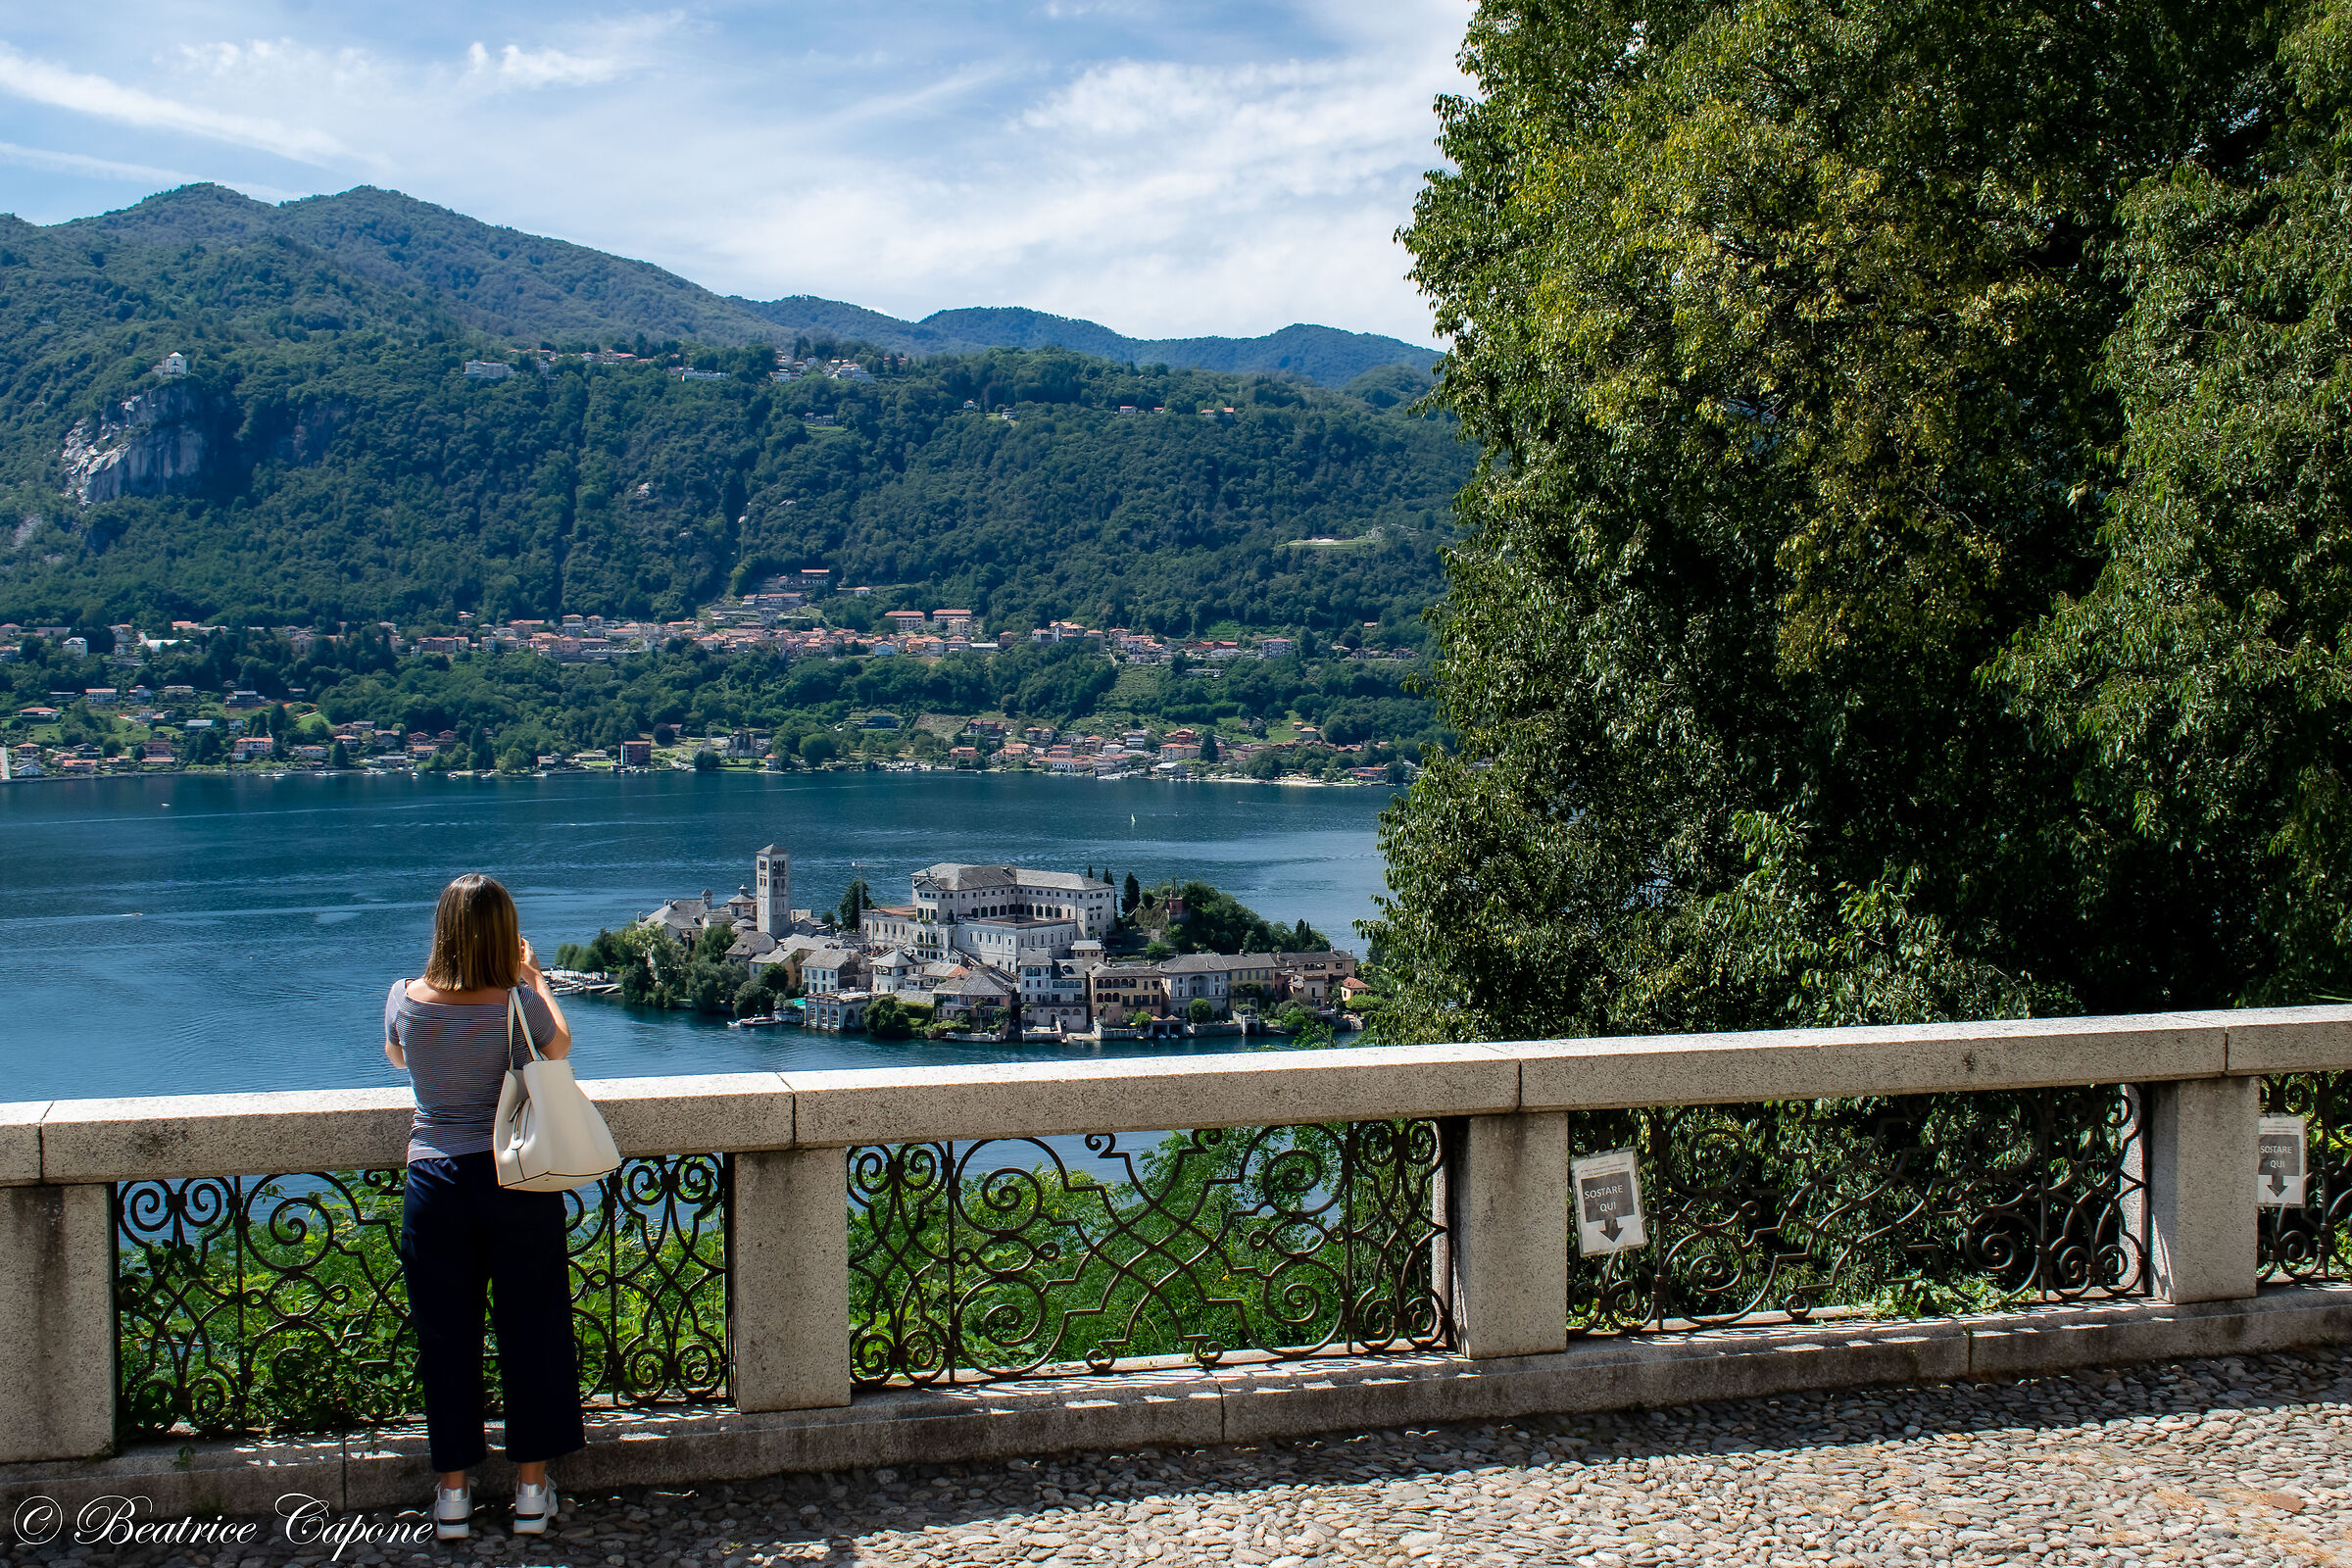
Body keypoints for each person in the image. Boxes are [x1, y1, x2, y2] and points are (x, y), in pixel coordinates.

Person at [384, 873, 583, 1541]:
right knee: (533, 1330)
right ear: (504, 933)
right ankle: (530, 1491)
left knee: (445, 1338)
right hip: (514, 1176)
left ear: (443, 929)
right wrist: (535, 978)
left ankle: (452, 1497)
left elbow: (397, 1057)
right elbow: (559, 1047)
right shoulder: (516, 1001)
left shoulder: (403, 998)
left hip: (435, 1180)